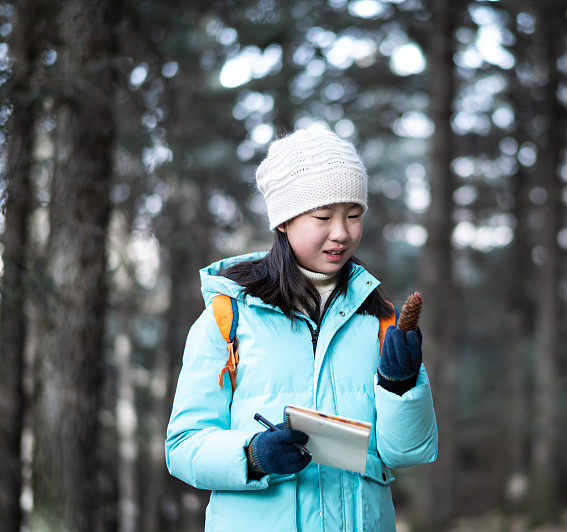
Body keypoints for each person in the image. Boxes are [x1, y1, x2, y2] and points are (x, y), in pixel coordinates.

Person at [165, 128, 438, 531]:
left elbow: (407, 452)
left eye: (354, 215)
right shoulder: (228, 317)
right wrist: (252, 456)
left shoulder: (379, 318)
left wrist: (400, 387)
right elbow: (183, 446)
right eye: (323, 217)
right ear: (284, 221)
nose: (342, 232)